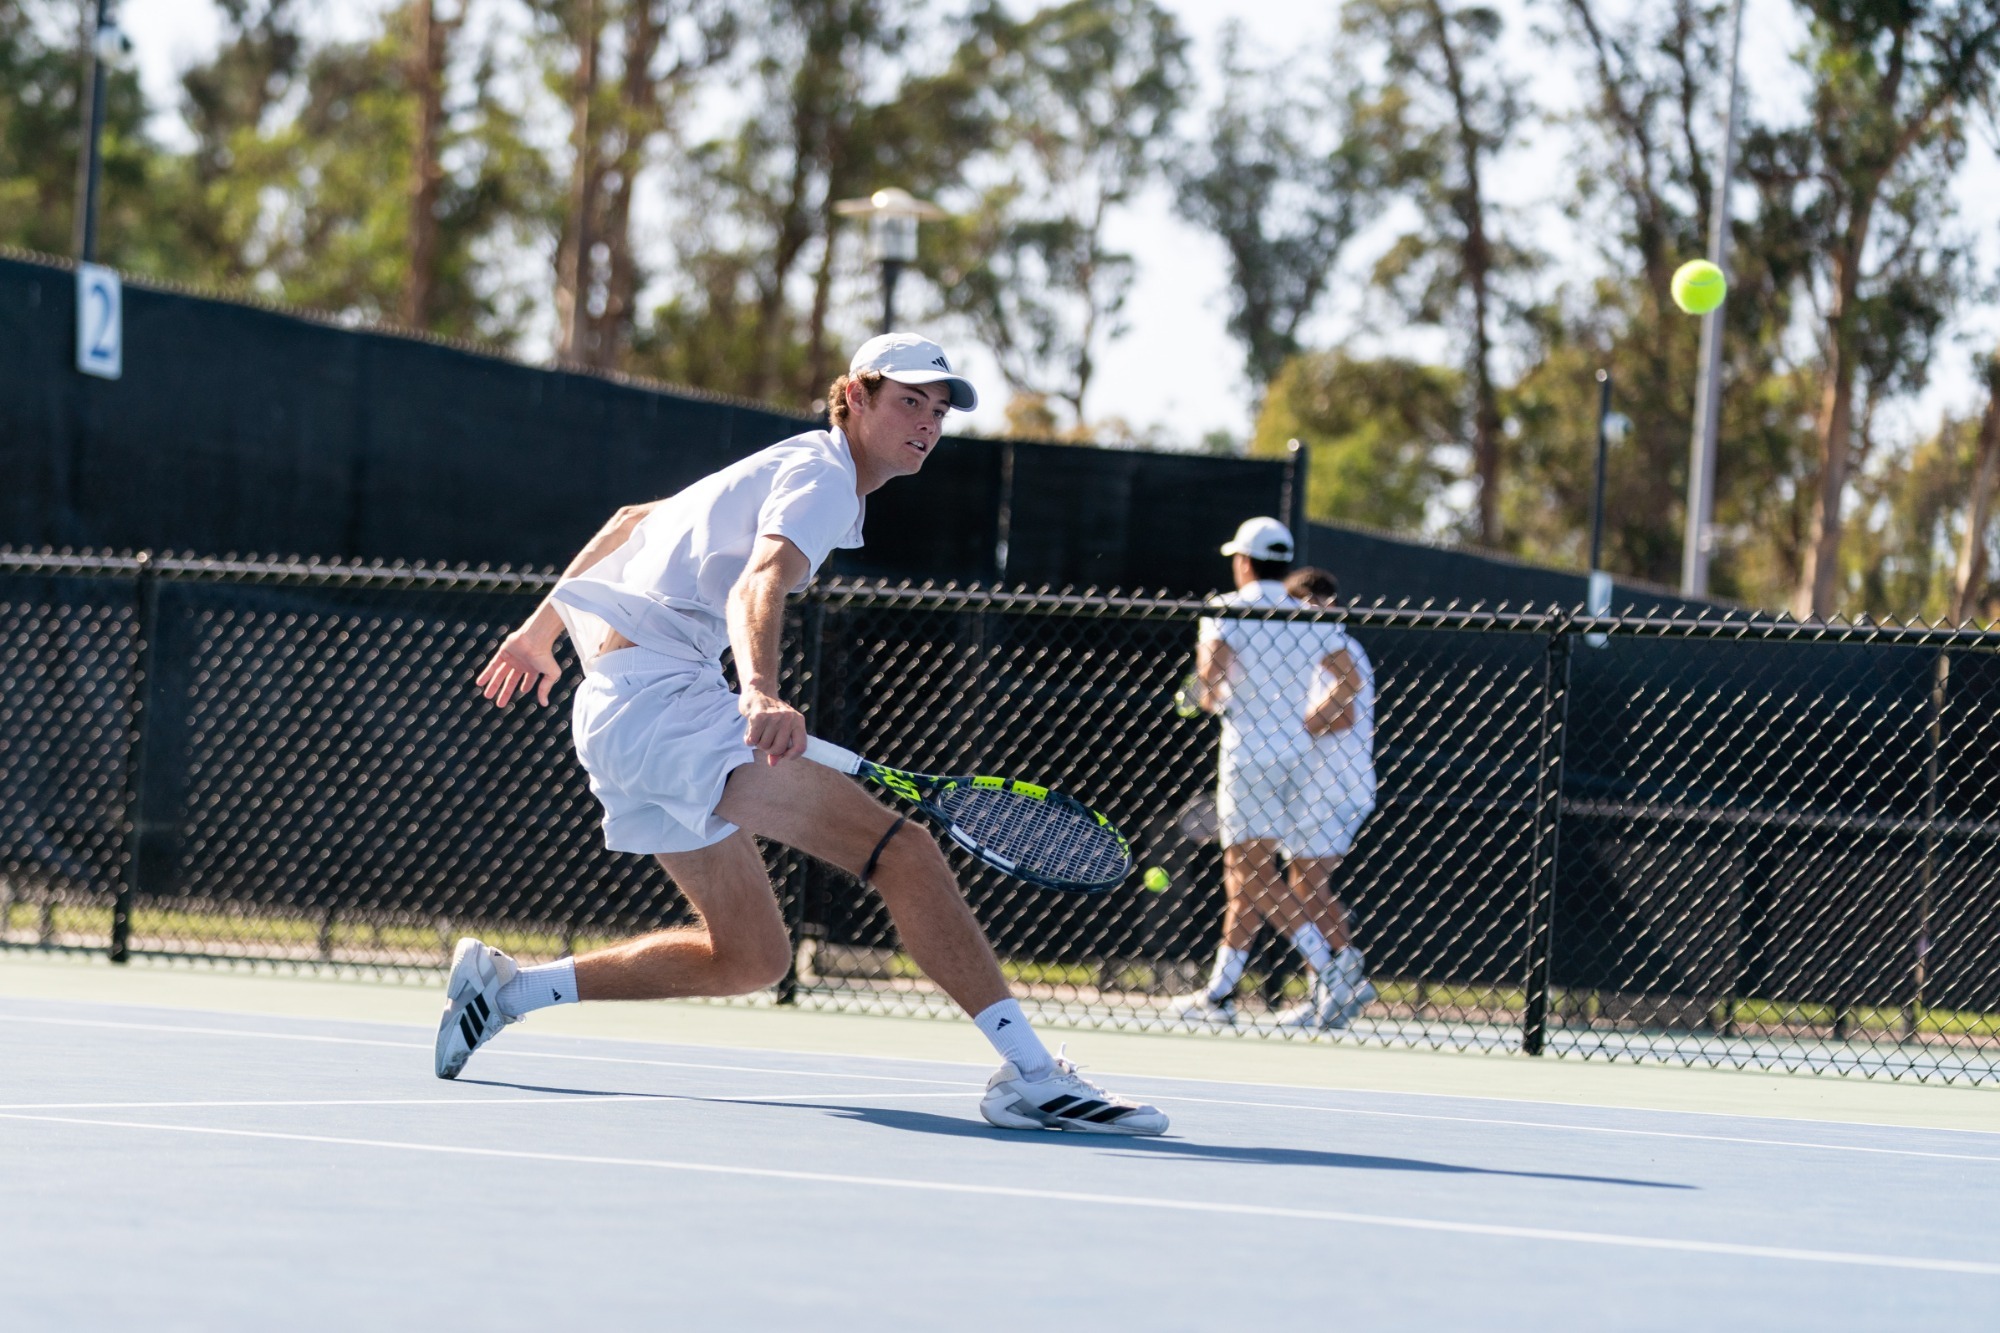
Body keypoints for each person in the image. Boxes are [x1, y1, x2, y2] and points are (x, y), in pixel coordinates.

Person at [442, 332, 1167, 1136]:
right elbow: (762, 579)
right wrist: (758, 690)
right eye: (907, 403)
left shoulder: (783, 467)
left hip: (617, 711)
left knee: (752, 957)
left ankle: (505, 991)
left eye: (936, 411)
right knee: (905, 852)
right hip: (666, 702)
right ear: (854, 397)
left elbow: (631, 519)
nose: (926, 424)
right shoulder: (823, 474)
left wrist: (537, 632)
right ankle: (1033, 1076)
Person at [1167, 520, 1377, 1030]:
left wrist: (1202, 698)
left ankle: (1330, 967)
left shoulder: (1226, 609)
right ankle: (1218, 994)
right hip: (1296, 762)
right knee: (1245, 878)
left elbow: (1210, 680)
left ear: (1242, 562)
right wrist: (1301, 724)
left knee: (1251, 875)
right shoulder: (1307, 618)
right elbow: (1347, 681)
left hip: (1247, 756)